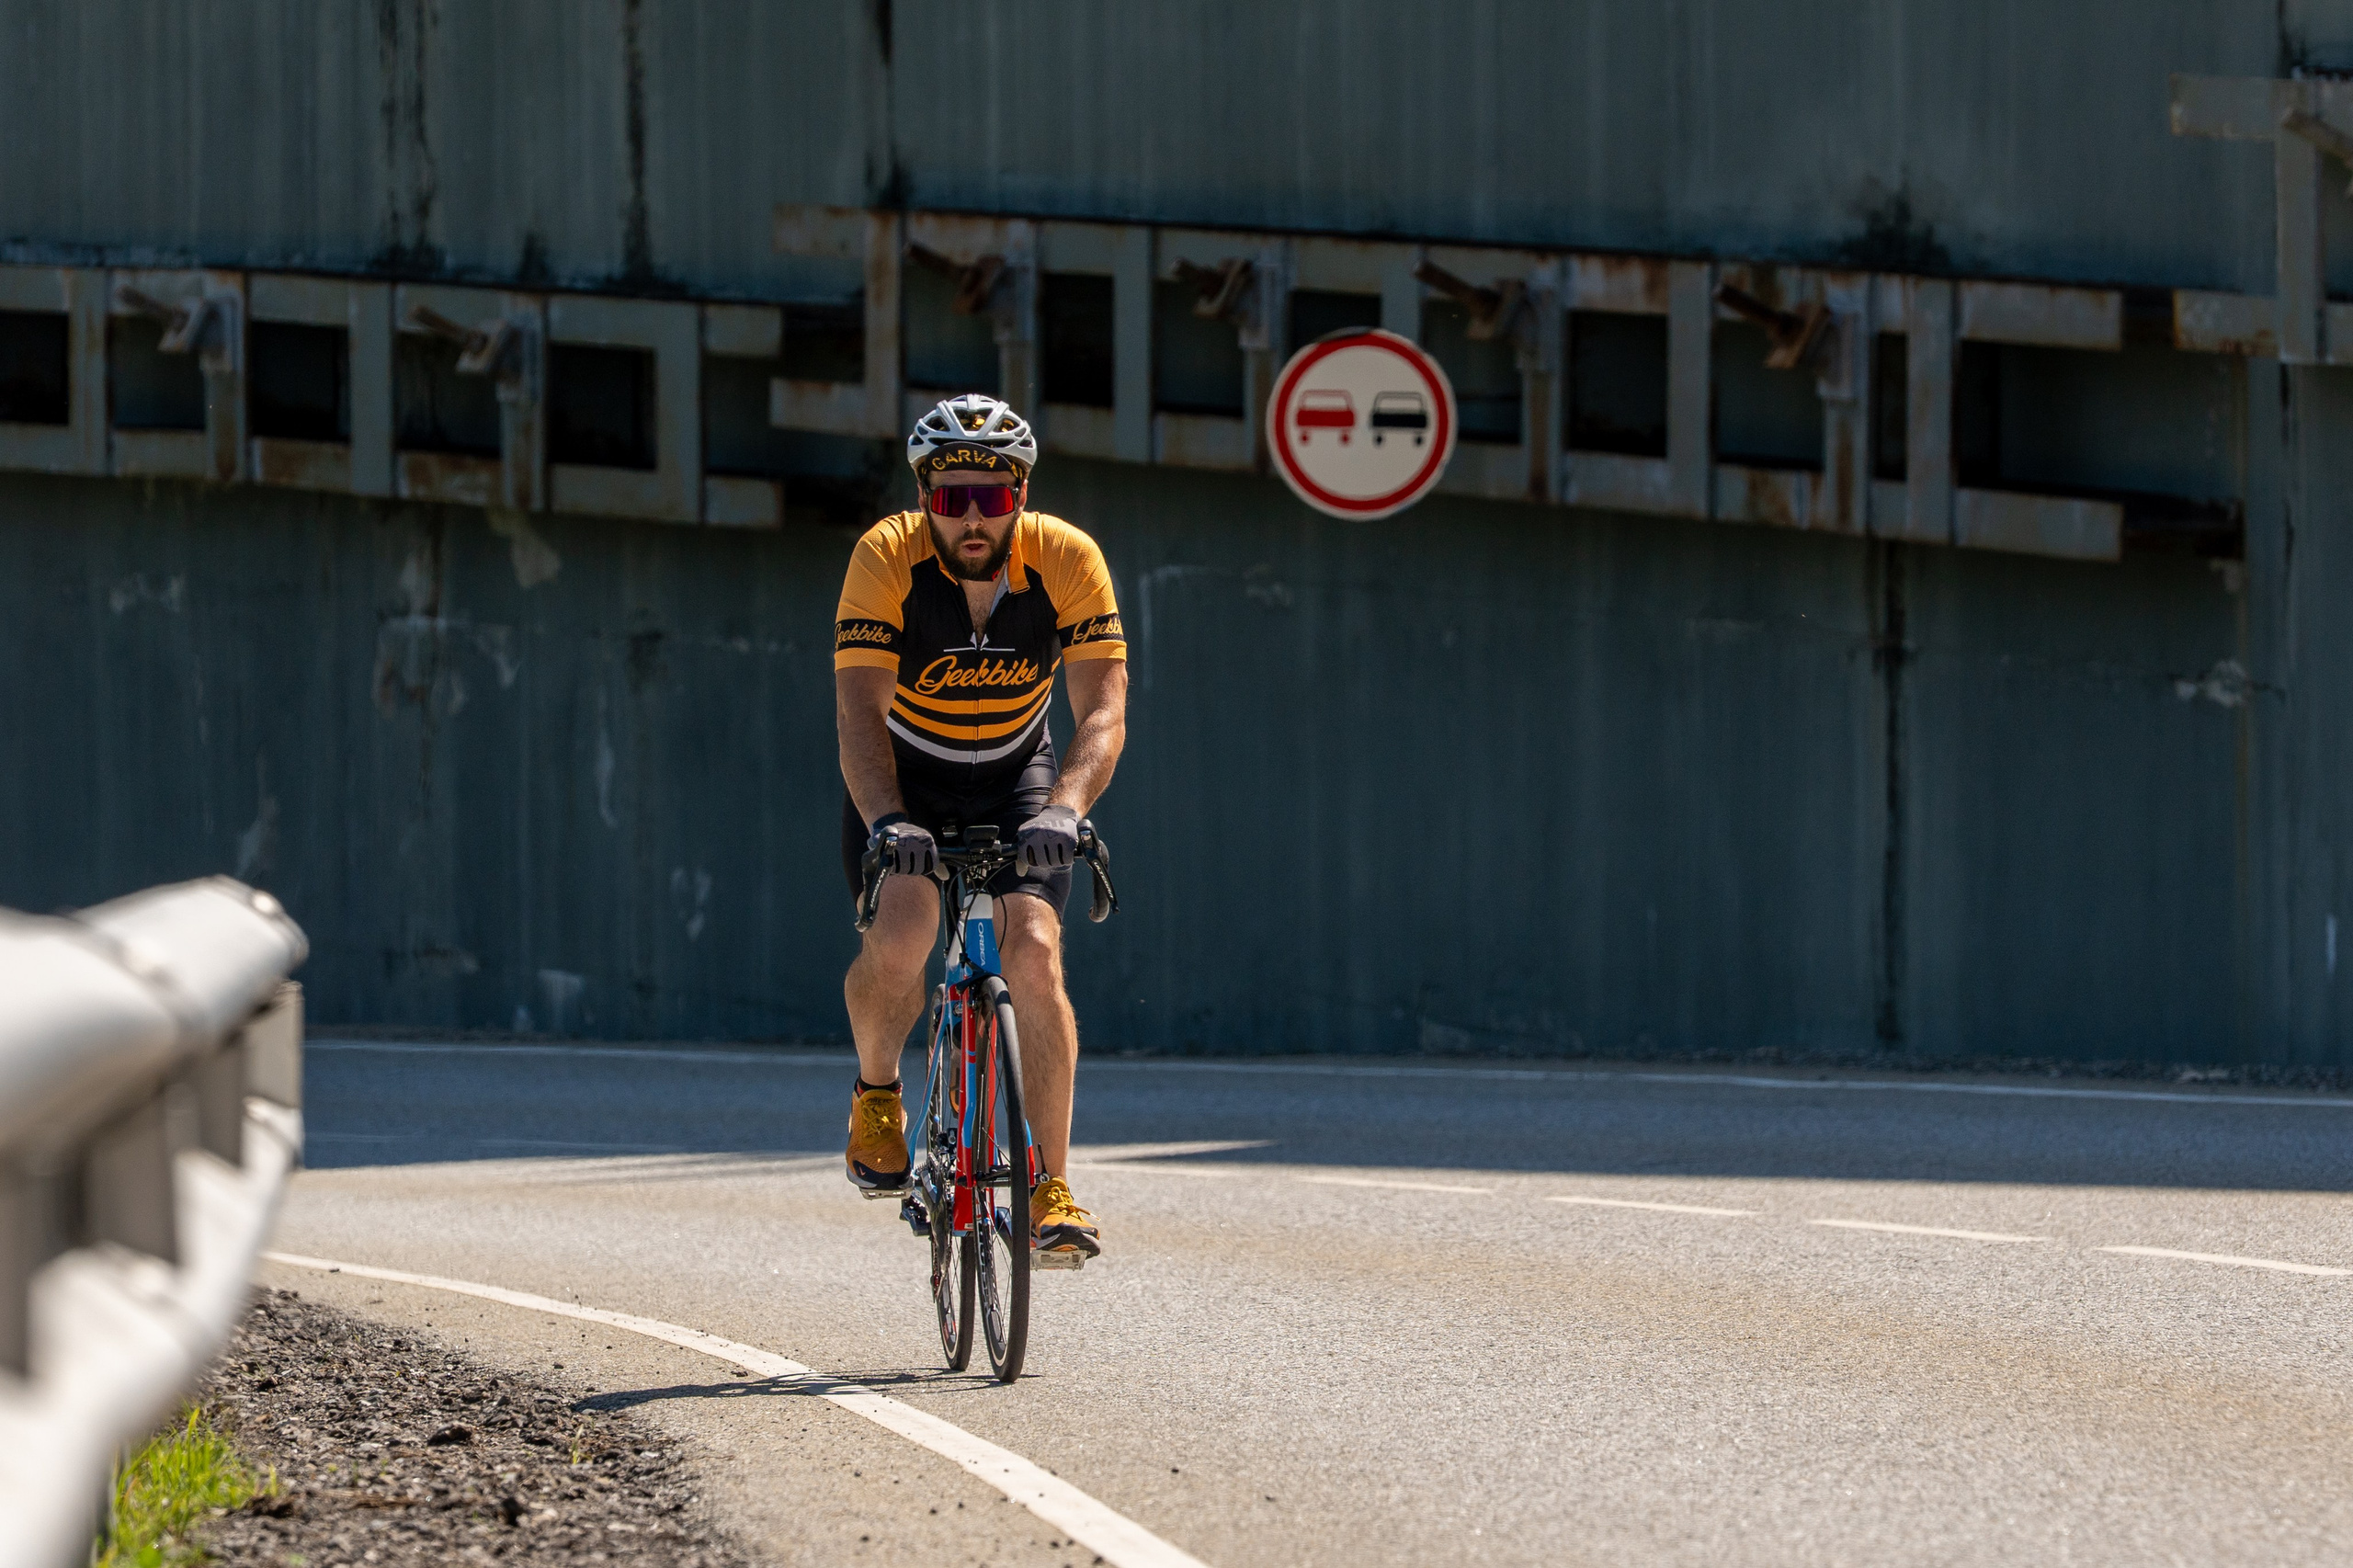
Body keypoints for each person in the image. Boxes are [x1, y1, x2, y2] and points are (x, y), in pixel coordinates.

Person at [833, 393, 1127, 1262]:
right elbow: (857, 715)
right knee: (904, 932)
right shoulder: (885, 558)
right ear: (925, 496)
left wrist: (1067, 810)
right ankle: (880, 1093)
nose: (970, 516)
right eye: (951, 496)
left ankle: (1049, 1186)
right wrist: (888, 818)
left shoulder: (1068, 559)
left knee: (1033, 948)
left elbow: (1102, 713)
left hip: (1018, 778)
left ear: (1021, 496)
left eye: (991, 499)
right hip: (904, 778)